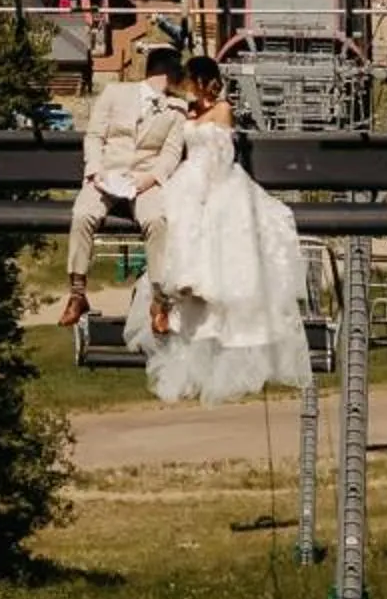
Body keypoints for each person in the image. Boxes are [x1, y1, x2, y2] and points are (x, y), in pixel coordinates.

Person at [125, 57, 315, 405]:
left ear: (202, 81)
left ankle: (188, 292)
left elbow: (221, 152)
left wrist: (205, 181)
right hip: (188, 178)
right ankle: (169, 299)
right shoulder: (186, 111)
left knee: (212, 223)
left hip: (212, 176)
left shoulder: (221, 110)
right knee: (176, 220)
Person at [60, 46, 183, 326]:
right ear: (168, 74)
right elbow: (94, 136)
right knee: (82, 215)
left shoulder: (177, 110)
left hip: (145, 179)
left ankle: (159, 302)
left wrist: (150, 179)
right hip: (107, 175)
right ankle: (77, 294)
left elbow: (171, 154)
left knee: (157, 220)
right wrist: (95, 171)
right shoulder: (115, 93)